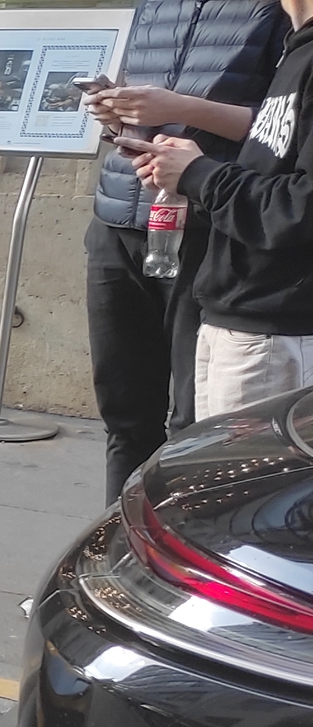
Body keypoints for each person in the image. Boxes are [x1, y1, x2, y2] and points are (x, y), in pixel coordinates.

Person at [79, 0, 292, 500]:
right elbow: (142, 108)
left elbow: (285, 129)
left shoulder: (276, 10)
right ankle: (119, 545)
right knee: (124, 411)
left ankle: (179, 553)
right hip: (120, 217)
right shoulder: (155, 6)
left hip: (206, 226)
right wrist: (116, 110)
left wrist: (177, 108)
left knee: (192, 419)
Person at [130, 0, 313, 418]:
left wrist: (198, 174)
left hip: (278, 324)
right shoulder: (296, 49)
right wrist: (186, 167)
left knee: (249, 483)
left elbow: (301, 208)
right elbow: (271, 169)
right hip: (235, 310)